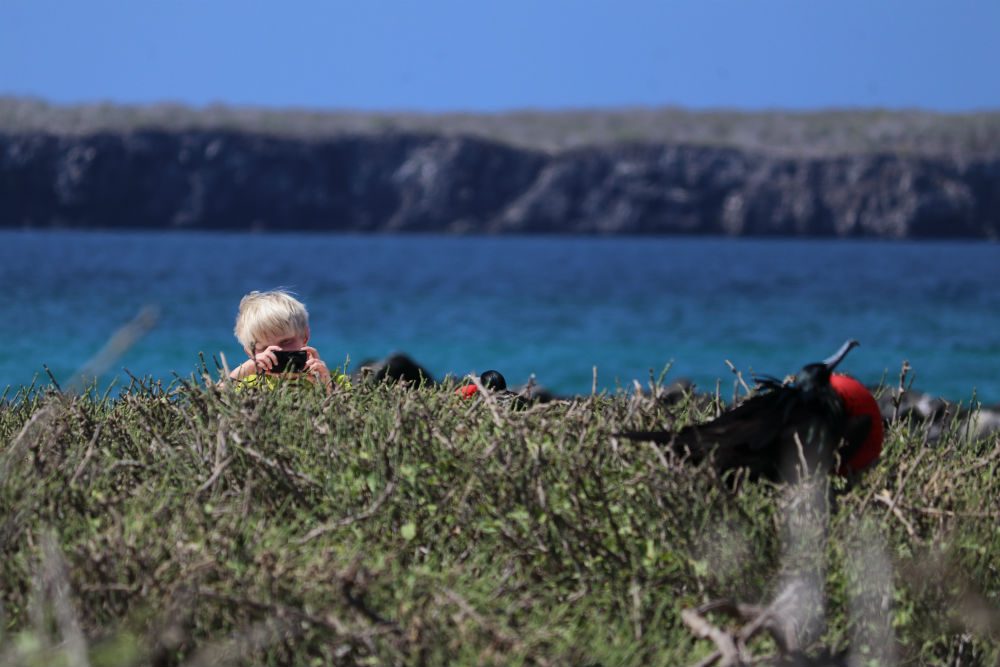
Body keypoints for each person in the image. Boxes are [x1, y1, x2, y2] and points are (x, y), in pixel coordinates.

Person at [228, 289, 348, 391]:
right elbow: (213, 404)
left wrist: (328, 386)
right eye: (264, 348)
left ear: (305, 336)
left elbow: (355, 412)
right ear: (250, 353)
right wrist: (242, 371)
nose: (277, 351)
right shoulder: (247, 386)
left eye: (286, 342)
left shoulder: (334, 380)